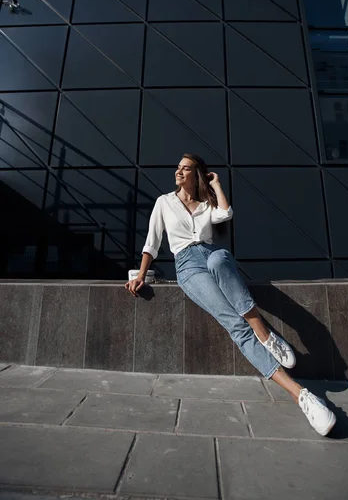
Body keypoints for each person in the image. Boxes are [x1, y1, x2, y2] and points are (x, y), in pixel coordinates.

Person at [125, 153, 336, 436]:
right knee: (235, 327)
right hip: (187, 266)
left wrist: (217, 185)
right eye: (177, 167)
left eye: (185, 168)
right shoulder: (164, 202)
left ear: (196, 174)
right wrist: (140, 275)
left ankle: (264, 332)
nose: (178, 171)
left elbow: (225, 214)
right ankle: (302, 395)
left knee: (218, 258)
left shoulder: (205, 203)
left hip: (213, 257)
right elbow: (152, 242)